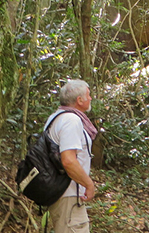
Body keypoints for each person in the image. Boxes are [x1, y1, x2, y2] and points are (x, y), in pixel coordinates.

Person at [46, 79, 98, 233]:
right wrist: (88, 184)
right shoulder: (71, 120)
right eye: (88, 95)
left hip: (63, 194)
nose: (90, 99)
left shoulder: (56, 117)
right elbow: (68, 160)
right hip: (69, 194)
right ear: (79, 100)